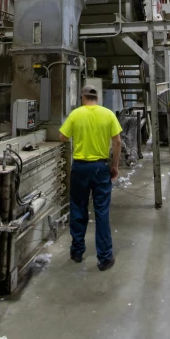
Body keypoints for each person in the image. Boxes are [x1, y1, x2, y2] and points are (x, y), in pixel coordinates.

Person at [59, 84, 122, 271]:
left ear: (82, 97)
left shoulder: (76, 114)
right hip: (100, 168)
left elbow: (62, 136)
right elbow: (117, 141)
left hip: (79, 168)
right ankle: (104, 258)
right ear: (97, 98)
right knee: (101, 212)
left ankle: (77, 252)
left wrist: (78, 134)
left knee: (78, 208)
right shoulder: (108, 114)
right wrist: (114, 166)